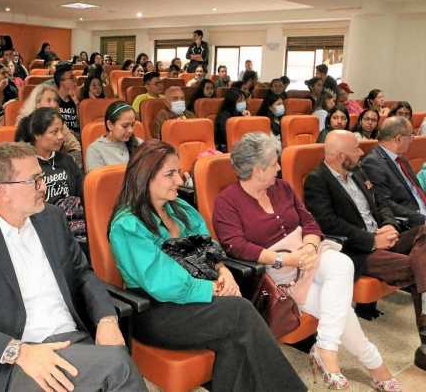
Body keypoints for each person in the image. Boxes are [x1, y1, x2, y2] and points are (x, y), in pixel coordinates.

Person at [0, 142, 146, 391]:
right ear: (4, 192)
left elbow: (82, 274)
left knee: (113, 364)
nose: (43, 186)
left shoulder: (51, 218)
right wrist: (19, 352)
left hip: (73, 340)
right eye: (34, 181)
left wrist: (107, 319)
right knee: (118, 367)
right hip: (20, 358)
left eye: (41, 178)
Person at [109, 139, 305, 391]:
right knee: (240, 312)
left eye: (178, 173)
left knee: (233, 341)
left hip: (197, 296)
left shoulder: (180, 208)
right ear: (145, 177)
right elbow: (162, 282)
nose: (180, 181)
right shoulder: (127, 225)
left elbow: (209, 247)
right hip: (154, 309)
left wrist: (224, 272)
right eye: (170, 174)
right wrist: (213, 288)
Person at [214, 132, 398, 391]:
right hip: (278, 273)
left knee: (342, 264)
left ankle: (325, 348)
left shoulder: (282, 188)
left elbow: (309, 221)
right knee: (340, 312)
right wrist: (284, 258)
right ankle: (375, 366)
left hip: (309, 255)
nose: (279, 167)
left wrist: (310, 246)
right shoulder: (227, 201)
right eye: (274, 163)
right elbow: (236, 245)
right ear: (257, 170)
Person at [304, 129, 426, 373]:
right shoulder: (317, 180)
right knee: (418, 266)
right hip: (358, 250)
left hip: (385, 236)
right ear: (340, 156)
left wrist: (389, 225)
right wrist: (372, 240)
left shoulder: (358, 171)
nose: (362, 152)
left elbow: (381, 204)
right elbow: (328, 224)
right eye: (356, 149)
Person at [362, 116, 425, 227]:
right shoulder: (372, 163)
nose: (413, 139)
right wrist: (422, 219)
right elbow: (385, 203)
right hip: (412, 220)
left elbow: (417, 191)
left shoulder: (401, 159)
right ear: (398, 139)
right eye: (410, 135)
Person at [15, 107, 83, 206]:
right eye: (54, 132)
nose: (61, 137)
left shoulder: (67, 160)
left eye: (61, 130)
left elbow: (82, 194)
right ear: (37, 135)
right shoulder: (24, 166)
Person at [17, 83, 81, 161]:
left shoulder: (59, 123)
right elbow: (21, 156)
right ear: (37, 104)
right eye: (49, 100)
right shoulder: (25, 124)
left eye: (55, 100)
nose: (54, 105)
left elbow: (75, 147)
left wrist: (68, 163)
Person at [85, 101, 141, 172]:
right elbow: (98, 181)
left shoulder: (139, 144)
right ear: (110, 125)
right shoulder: (95, 150)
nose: (130, 130)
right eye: (125, 126)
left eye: (132, 125)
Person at [214, 87, 249, 152]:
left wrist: (248, 120)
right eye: (239, 101)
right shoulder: (224, 116)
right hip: (225, 148)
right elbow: (228, 137)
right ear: (232, 102)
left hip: (242, 146)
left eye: (244, 100)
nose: (243, 103)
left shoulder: (242, 113)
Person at [54, 62, 80, 136]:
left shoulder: (76, 100)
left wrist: (77, 103)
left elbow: (83, 126)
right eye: (71, 78)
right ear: (61, 82)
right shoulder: (53, 101)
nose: (75, 80)